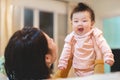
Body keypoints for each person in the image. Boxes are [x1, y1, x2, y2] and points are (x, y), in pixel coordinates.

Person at [58, 2, 114, 77]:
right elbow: (66, 51)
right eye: (76, 21)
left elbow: (103, 44)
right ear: (72, 23)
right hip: (77, 69)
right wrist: (62, 62)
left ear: (92, 23)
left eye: (84, 21)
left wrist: (108, 56)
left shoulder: (94, 33)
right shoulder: (71, 37)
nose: (80, 24)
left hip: (92, 68)